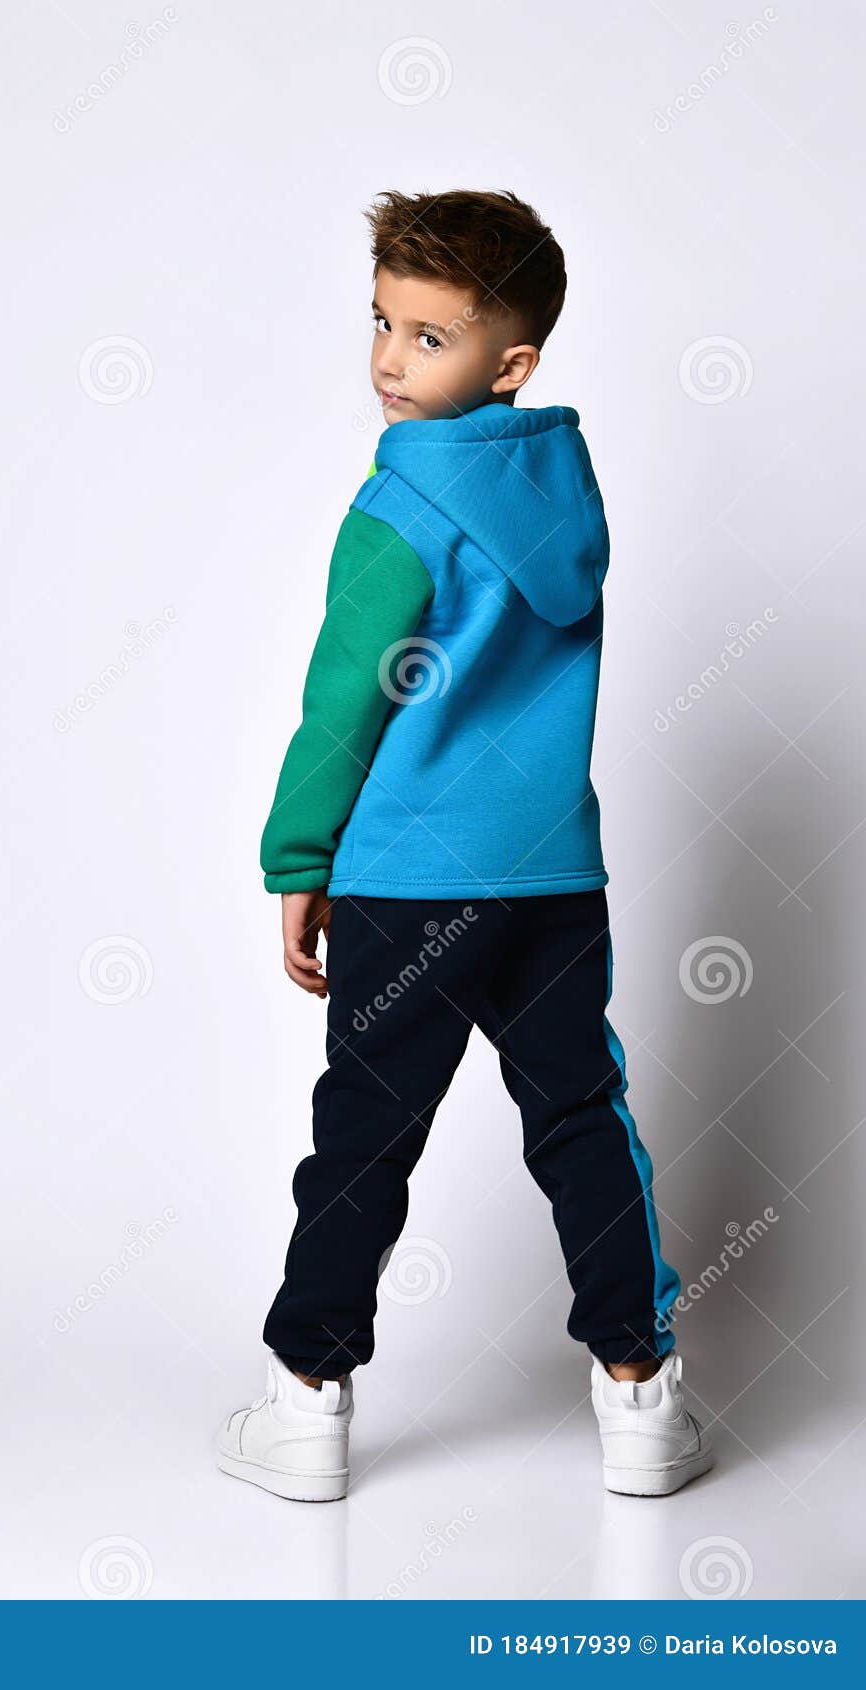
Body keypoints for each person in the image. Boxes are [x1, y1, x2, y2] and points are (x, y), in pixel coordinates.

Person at [216, 189, 713, 1503]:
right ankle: (640, 1396)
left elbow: (346, 695)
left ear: (512, 361)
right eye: (380, 322)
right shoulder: (565, 491)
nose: (388, 359)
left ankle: (306, 1404)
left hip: (407, 880)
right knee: (582, 1120)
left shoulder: (399, 503)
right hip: (551, 877)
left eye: (428, 337)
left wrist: (298, 857)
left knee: (364, 1138)